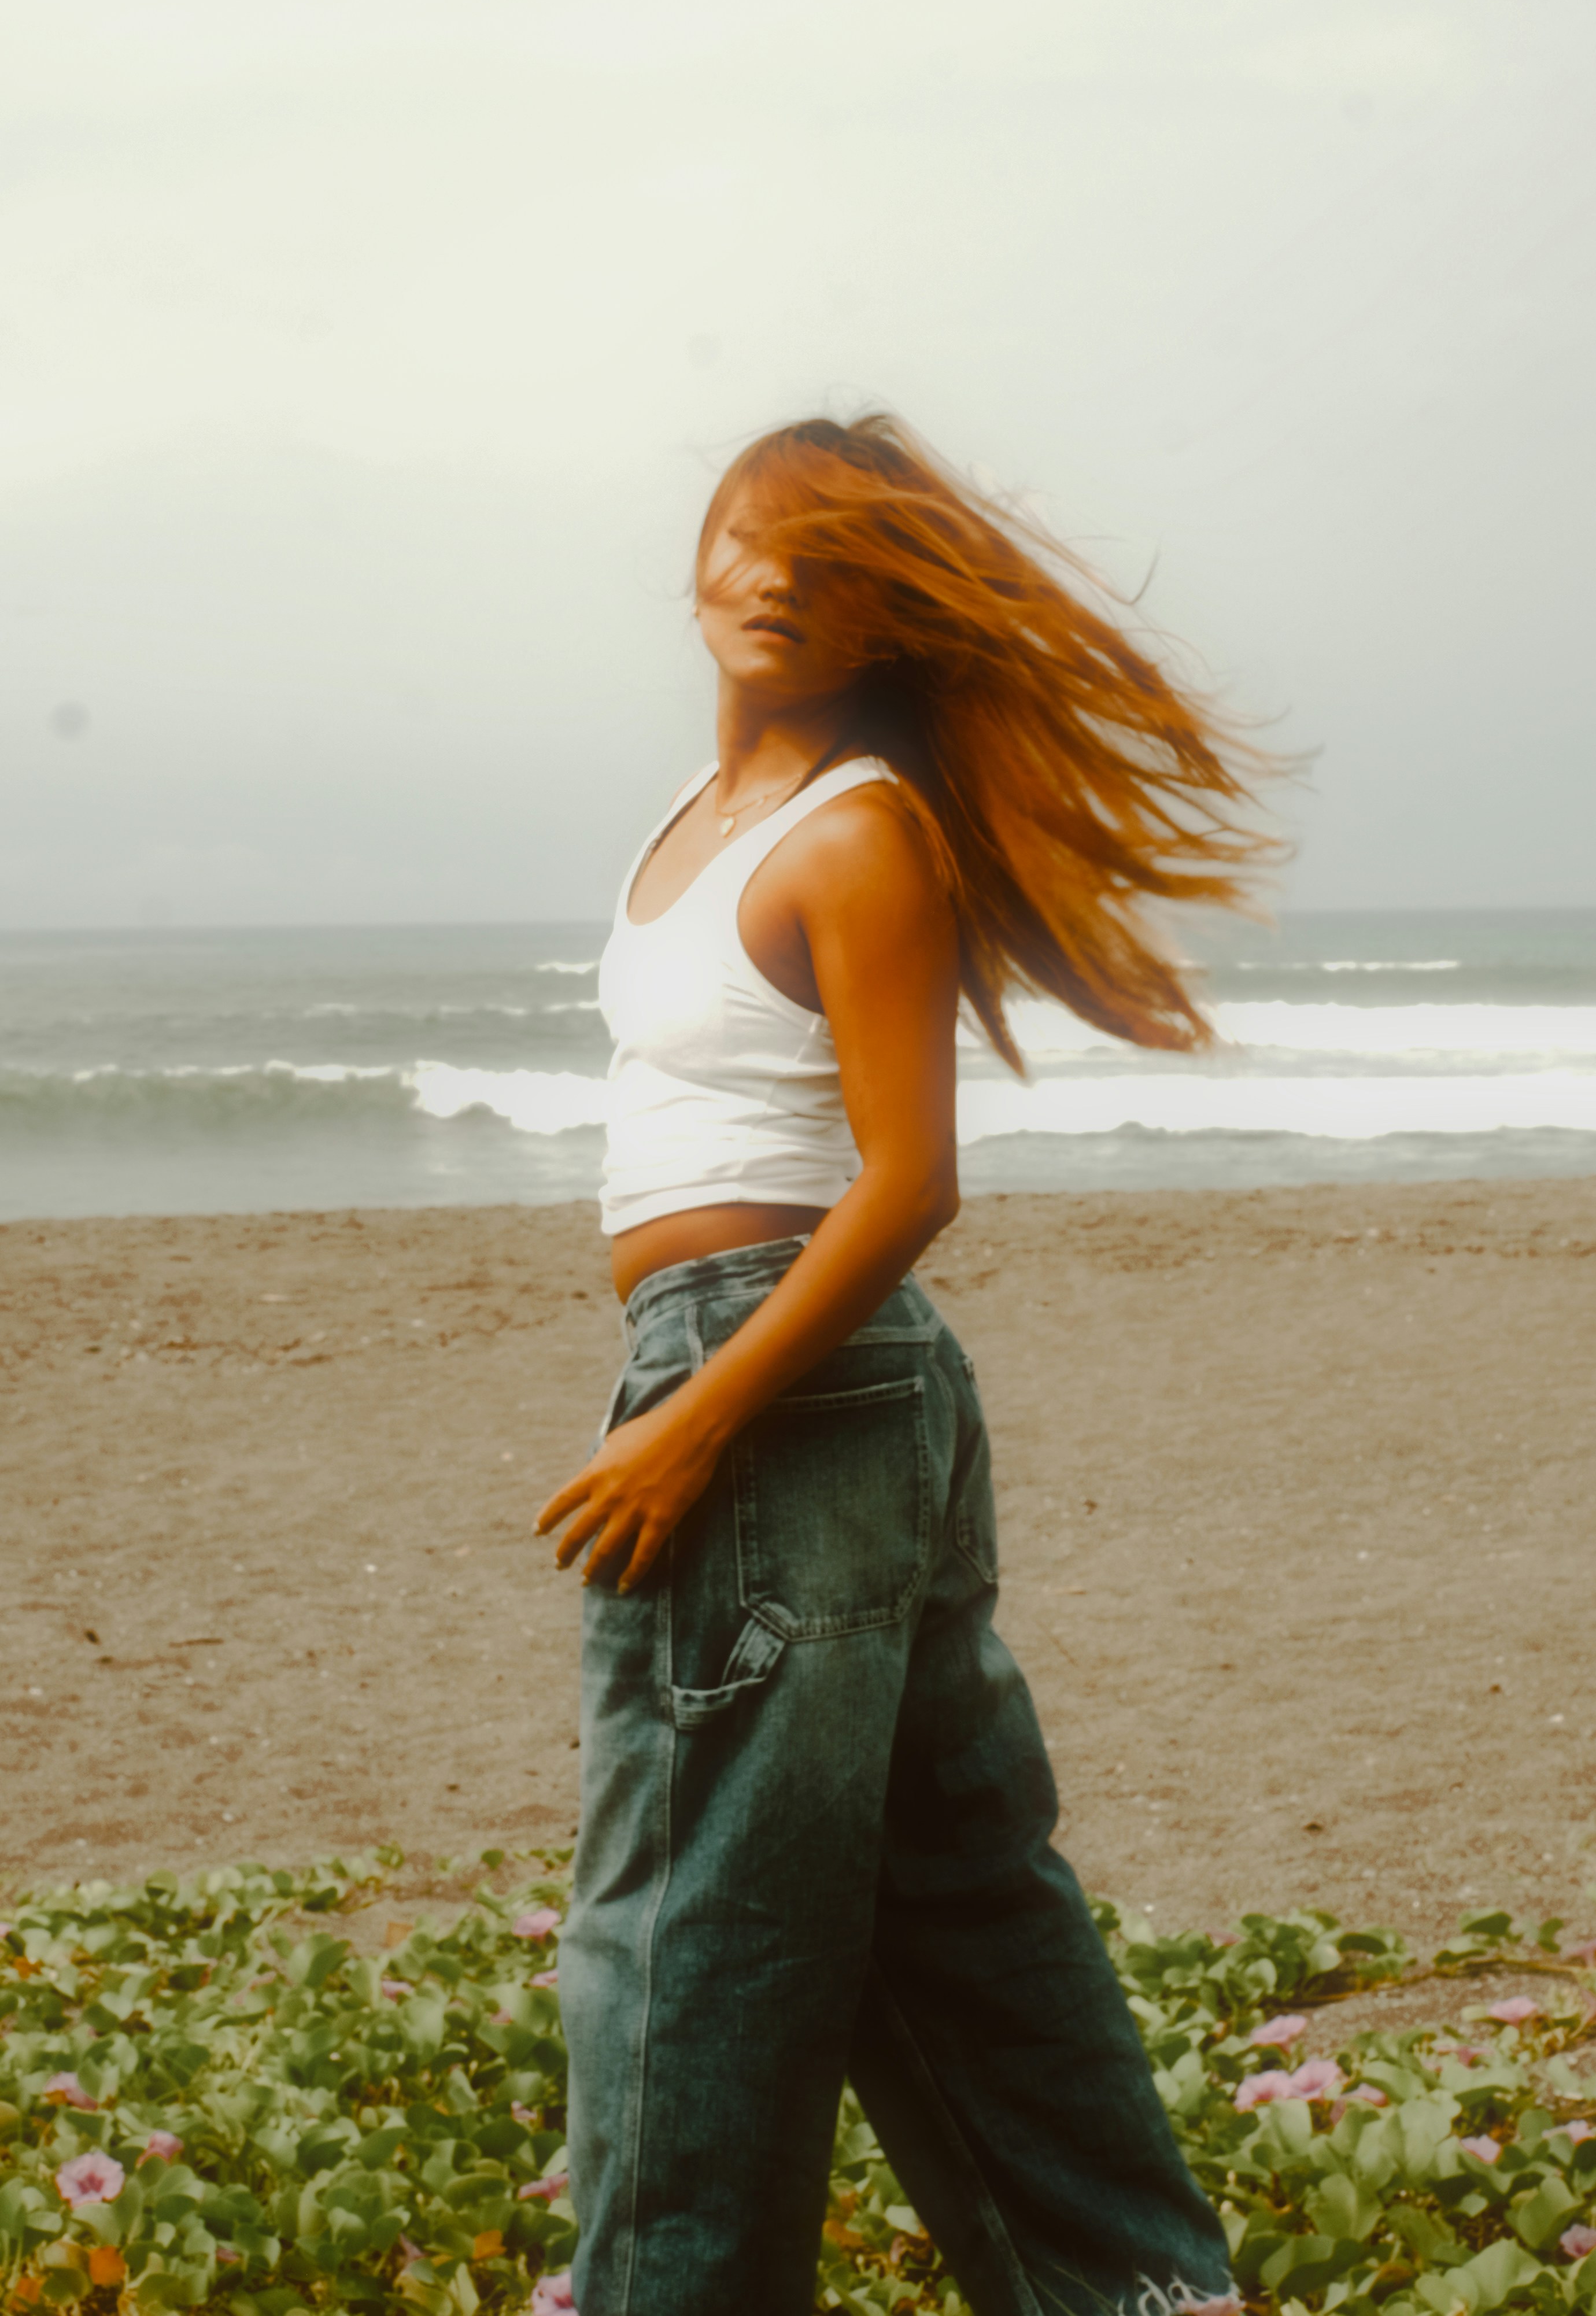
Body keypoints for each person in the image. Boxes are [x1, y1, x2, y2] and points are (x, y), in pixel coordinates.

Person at [537, 414, 1272, 2316]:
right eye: (750, 538)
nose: (775, 576)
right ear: (692, 557)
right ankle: (1144, 2298)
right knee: (956, 1914)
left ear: (888, 616)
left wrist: (692, 1423)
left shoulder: (857, 828)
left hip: (781, 1383)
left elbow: (909, 1181)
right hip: (819, 1391)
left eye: (833, 561)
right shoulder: (695, 824)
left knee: (686, 1944)